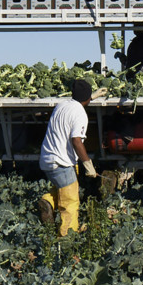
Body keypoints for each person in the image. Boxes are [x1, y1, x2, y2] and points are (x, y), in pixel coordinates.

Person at [38, 79, 98, 236]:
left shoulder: (62, 105)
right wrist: (88, 164)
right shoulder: (80, 114)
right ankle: (67, 238)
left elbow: (79, 102)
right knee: (70, 202)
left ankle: (48, 201)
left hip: (47, 160)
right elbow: (76, 141)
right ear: (87, 98)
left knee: (61, 189)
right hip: (61, 163)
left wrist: (93, 97)